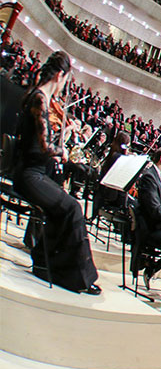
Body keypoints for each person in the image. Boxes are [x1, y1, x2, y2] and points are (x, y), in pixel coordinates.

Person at [12, 51, 100, 294]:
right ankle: (79, 277)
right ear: (60, 75)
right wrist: (62, 151)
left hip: (34, 172)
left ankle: (45, 263)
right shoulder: (40, 99)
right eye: (65, 80)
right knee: (72, 207)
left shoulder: (38, 96)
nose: (63, 86)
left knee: (62, 208)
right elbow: (44, 147)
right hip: (30, 175)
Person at [136, 146, 161, 248]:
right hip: (152, 230)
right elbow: (156, 211)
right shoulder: (149, 177)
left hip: (159, 227)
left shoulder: (159, 178)